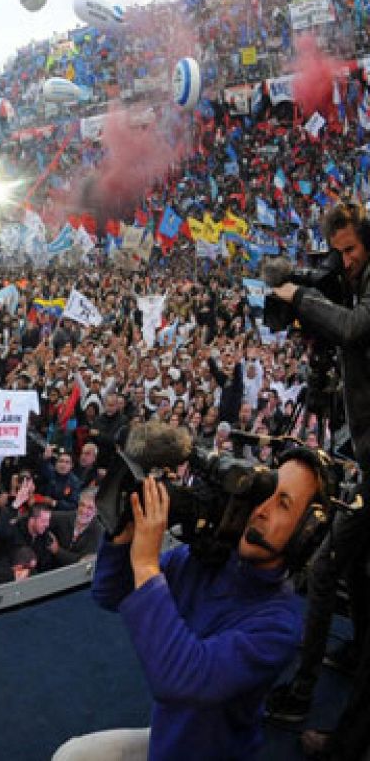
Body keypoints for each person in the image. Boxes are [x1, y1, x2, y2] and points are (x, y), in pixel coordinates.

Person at [52, 455, 326, 761]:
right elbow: (109, 593)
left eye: (283, 504)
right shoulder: (205, 561)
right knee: (71, 755)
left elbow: (181, 680)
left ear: (306, 533)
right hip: (166, 741)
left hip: (209, 754)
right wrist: (123, 536)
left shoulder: (280, 625)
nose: (261, 510)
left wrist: (145, 563)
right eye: (265, 495)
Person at [264, 204, 370, 753]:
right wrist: (295, 277)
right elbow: (329, 283)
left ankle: (323, 714)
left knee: (329, 564)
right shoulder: (353, 273)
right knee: (343, 563)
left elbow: (353, 327)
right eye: (341, 252)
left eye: (352, 250)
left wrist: (299, 297)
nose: (346, 262)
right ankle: (348, 657)